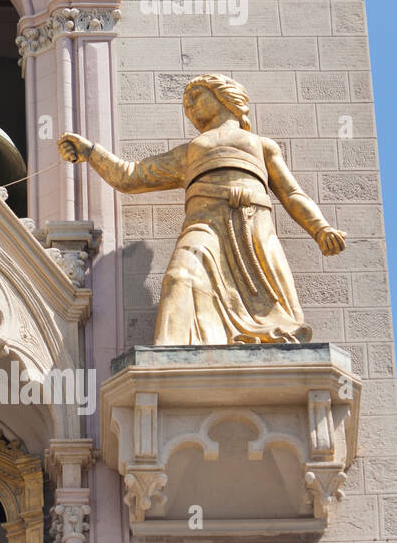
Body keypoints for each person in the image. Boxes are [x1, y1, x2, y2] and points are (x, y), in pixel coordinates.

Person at [58, 73, 345, 345]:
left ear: (226, 97)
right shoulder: (191, 150)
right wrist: (92, 152)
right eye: (186, 105)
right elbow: (131, 176)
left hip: (254, 227)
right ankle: (172, 353)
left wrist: (320, 228)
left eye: (196, 96)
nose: (190, 108)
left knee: (267, 298)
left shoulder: (261, 145)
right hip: (203, 225)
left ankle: (262, 336)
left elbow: (292, 193)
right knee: (179, 276)